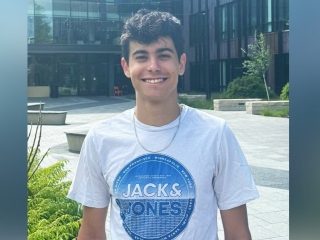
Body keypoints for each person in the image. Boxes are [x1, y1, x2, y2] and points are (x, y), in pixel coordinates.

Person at [67, 9, 259, 240]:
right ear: (126, 67)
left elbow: (238, 233)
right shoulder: (100, 138)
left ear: (181, 63)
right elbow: (91, 232)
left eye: (164, 55)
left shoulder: (215, 134)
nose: (153, 66)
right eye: (141, 57)